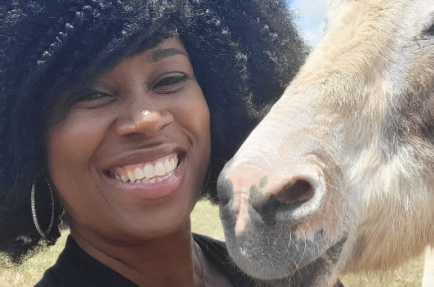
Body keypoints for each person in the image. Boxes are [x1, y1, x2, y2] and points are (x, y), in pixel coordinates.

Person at [0, 1, 308, 286]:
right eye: (92, 94)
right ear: (29, 145)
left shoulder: (296, 276)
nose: (146, 119)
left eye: (170, 80)